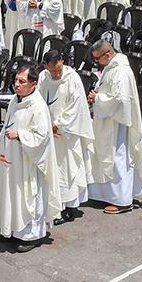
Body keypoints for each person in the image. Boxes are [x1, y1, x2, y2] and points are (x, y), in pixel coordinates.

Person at [0, 64, 58, 251]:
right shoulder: (16, 99)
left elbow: (42, 137)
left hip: (29, 162)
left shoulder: (38, 106)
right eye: (16, 80)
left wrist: (20, 135)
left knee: (28, 196)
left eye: (22, 81)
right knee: (11, 193)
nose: (17, 84)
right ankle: (12, 229)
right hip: (13, 159)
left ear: (34, 84)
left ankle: (32, 235)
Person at [87, 40, 142, 213]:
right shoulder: (112, 67)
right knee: (108, 157)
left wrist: (97, 99)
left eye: (98, 59)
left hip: (118, 125)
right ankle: (106, 195)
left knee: (118, 159)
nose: (96, 62)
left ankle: (122, 201)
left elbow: (120, 101)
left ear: (107, 54)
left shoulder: (121, 71)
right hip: (108, 121)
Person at [36, 49, 94, 220]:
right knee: (52, 169)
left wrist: (57, 125)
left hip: (66, 133)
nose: (57, 73)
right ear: (46, 67)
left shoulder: (72, 79)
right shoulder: (43, 77)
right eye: (53, 71)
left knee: (66, 169)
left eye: (59, 69)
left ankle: (68, 206)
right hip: (48, 131)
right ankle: (53, 205)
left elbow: (76, 108)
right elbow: (39, 101)